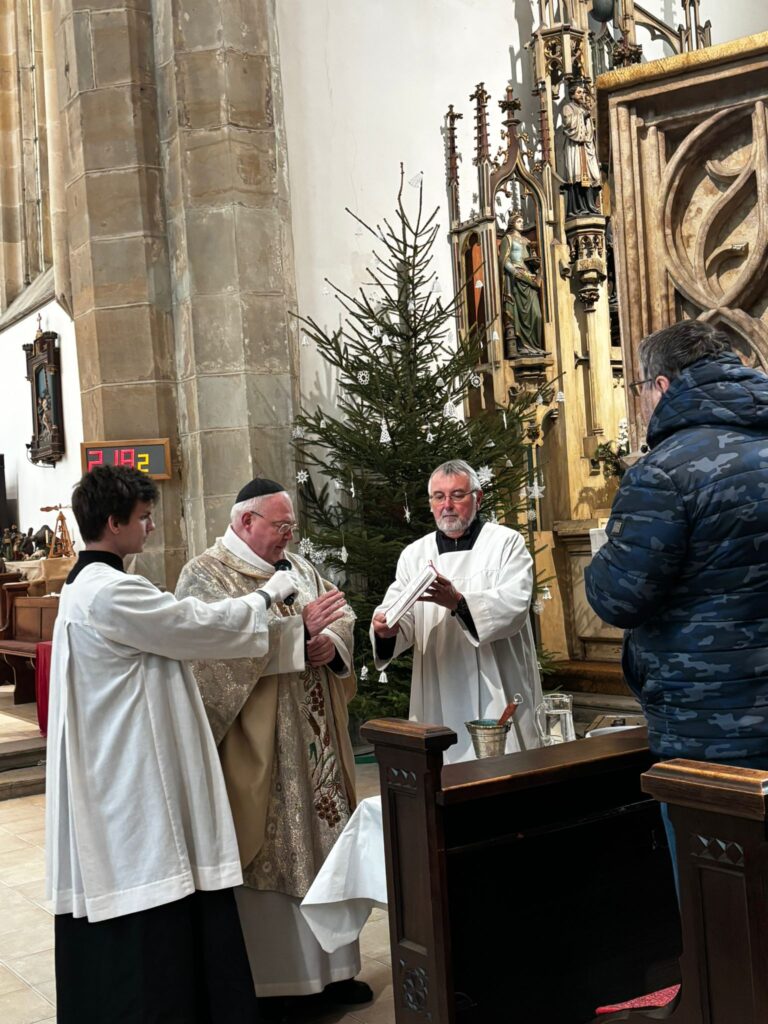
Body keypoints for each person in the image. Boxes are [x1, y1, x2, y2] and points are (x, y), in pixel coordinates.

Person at [46, 465, 299, 1024]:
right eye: (143, 517)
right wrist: (265, 597)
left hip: (119, 758)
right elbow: (194, 625)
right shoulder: (110, 591)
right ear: (113, 523)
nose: (152, 527)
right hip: (129, 769)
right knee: (151, 881)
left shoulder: (85, 586)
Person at [175, 478, 371, 1019]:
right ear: (246, 522)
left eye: (292, 526)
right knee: (269, 852)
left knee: (328, 847)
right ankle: (279, 984)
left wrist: (330, 643)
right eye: (280, 526)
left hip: (317, 747)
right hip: (261, 749)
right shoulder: (205, 574)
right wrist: (295, 638)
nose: (289, 536)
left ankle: (335, 973)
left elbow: (340, 614)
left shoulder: (298, 568)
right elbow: (206, 657)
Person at [584, 322, 768, 872]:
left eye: (638, 388)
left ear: (660, 386)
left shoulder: (664, 472)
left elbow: (618, 598)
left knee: (725, 902)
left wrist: (606, 553)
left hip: (714, 728)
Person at [371, 459, 543, 763]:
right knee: (443, 772)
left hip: (497, 680)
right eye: (439, 497)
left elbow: (515, 605)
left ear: (478, 498)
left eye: (457, 495)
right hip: (439, 681)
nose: (447, 505)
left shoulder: (506, 543)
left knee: (505, 770)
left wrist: (458, 603)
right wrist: (386, 630)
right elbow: (399, 613)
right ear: (431, 503)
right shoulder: (415, 555)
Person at [499, 212, 544, 356]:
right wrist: (515, 272)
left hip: (529, 278)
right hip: (517, 279)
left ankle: (535, 346)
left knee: (537, 315)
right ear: (512, 223)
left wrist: (535, 263)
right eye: (519, 221)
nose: (522, 223)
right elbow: (504, 260)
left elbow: (531, 259)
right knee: (521, 315)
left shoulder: (526, 240)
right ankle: (522, 347)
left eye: (522, 221)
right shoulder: (507, 238)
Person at [561, 81, 602, 217]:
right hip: (575, 147)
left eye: (583, 92)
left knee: (593, 175)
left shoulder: (584, 108)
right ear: (572, 95)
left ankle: (591, 205)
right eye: (579, 92)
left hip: (586, 146)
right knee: (578, 175)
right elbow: (567, 125)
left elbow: (590, 131)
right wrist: (582, 117)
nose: (582, 95)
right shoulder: (568, 108)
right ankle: (578, 207)